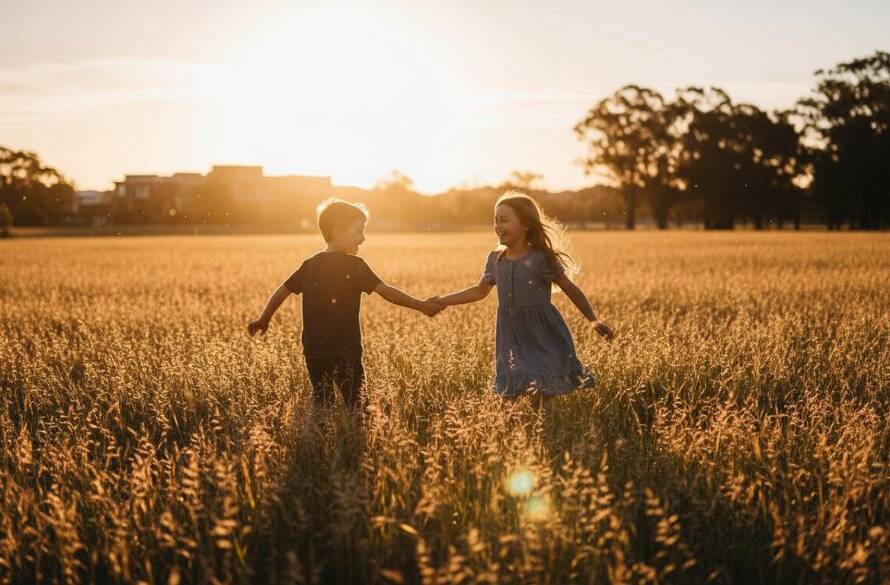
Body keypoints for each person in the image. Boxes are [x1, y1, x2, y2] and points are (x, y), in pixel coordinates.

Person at [248, 199, 443, 411]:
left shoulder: (310, 265)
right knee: (357, 405)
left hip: (314, 350)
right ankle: (355, 439)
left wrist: (264, 319)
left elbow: (281, 292)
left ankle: (318, 440)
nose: (363, 238)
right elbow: (387, 292)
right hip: (345, 349)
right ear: (338, 232)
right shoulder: (355, 266)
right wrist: (421, 305)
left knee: (322, 401)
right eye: (359, 231)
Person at [430, 191, 613, 405]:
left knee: (541, 390)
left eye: (505, 220)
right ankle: (512, 435)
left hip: (541, 333)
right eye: (495, 220)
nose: (498, 225)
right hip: (510, 334)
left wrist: (593, 319)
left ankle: (542, 431)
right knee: (509, 392)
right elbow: (478, 291)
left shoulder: (541, 259)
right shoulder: (495, 259)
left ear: (525, 224)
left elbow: (571, 289)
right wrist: (443, 300)